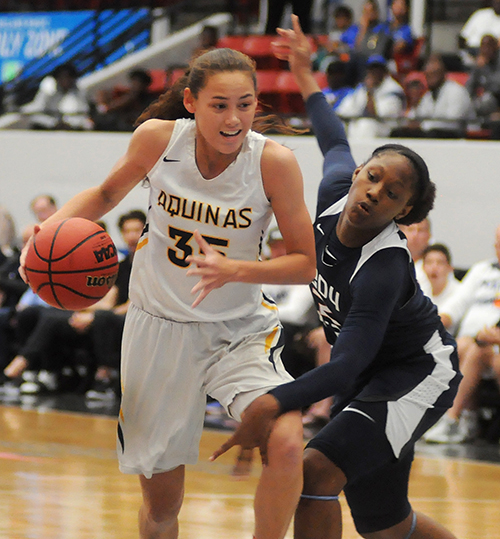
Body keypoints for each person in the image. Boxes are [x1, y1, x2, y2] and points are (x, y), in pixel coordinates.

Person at [19, 47, 316, 539]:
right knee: (161, 509)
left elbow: (305, 263)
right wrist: (48, 230)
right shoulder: (158, 140)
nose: (233, 117)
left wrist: (235, 269)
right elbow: (106, 195)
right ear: (191, 102)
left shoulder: (274, 163)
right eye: (219, 104)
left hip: (238, 331)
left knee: (286, 440)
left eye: (244, 104)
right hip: (158, 329)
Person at [210, 16, 461, 539]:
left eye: (392, 194)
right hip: (375, 373)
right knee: (387, 525)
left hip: (416, 371)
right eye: (373, 177)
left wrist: (274, 403)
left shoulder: (384, 266)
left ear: (403, 212)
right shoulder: (334, 191)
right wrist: (304, 73)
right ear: (362, 171)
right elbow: (333, 134)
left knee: (317, 472)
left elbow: (345, 365)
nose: (373, 192)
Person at [424, 225, 500, 444]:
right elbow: (457, 305)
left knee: (475, 347)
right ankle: (466, 416)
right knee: (461, 345)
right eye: (496, 242)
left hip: (492, 343)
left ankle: (452, 419)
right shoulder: (482, 270)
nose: (497, 247)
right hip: (474, 340)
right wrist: (435, 322)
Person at [391, 53, 476, 138]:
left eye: (434, 74)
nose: (431, 78)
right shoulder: (428, 95)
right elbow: (419, 116)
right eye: (428, 75)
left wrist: (422, 126)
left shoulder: (457, 91)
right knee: (398, 133)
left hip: (459, 138)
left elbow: (452, 123)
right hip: (435, 137)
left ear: (443, 72)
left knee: (432, 133)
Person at [336, 54, 405, 138]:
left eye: (378, 70)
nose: (374, 73)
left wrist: (370, 92)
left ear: (385, 72)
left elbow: (374, 115)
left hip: (386, 129)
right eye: (371, 70)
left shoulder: (393, 90)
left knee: (366, 124)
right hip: (362, 126)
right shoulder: (361, 88)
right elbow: (344, 111)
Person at [21, 63, 93, 131]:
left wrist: (70, 124)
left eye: (69, 77)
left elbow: (83, 114)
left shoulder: (80, 93)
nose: (65, 81)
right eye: (62, 77)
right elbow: (37, 111)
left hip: (73, 129)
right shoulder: (48, 92)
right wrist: (54, 123)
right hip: (51, 128)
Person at [466, 34, 500, 128]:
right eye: (483, 46)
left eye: (489, 46)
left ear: (496, 47)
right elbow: (469, 87)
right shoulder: (480, 63)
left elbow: (497, 87)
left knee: (487, 99)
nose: (486, 50)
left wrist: (484, 67)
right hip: (487, 104)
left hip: (496, 100)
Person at [421, 243, 461, 313]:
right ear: (423, 267)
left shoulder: (459, 292)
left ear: (450, 268)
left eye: (440, 263)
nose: (434, 268)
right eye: (429, 262)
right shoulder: (422, 291)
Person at [459, 0, 500, 65]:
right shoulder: (480, 14)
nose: (497, 3)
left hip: (493, 55)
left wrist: (484, 54)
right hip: (471, 52)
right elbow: (463, 36)